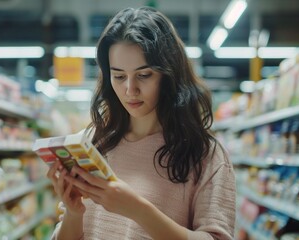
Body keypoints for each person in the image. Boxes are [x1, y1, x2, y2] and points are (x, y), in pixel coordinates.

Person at [47, 6, 236, 240]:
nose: (130, 90)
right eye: (118, 76)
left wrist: (138, 210)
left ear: (169, 75)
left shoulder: (204, 154)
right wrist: (74, 214)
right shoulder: (93, 142)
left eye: (144, 75)